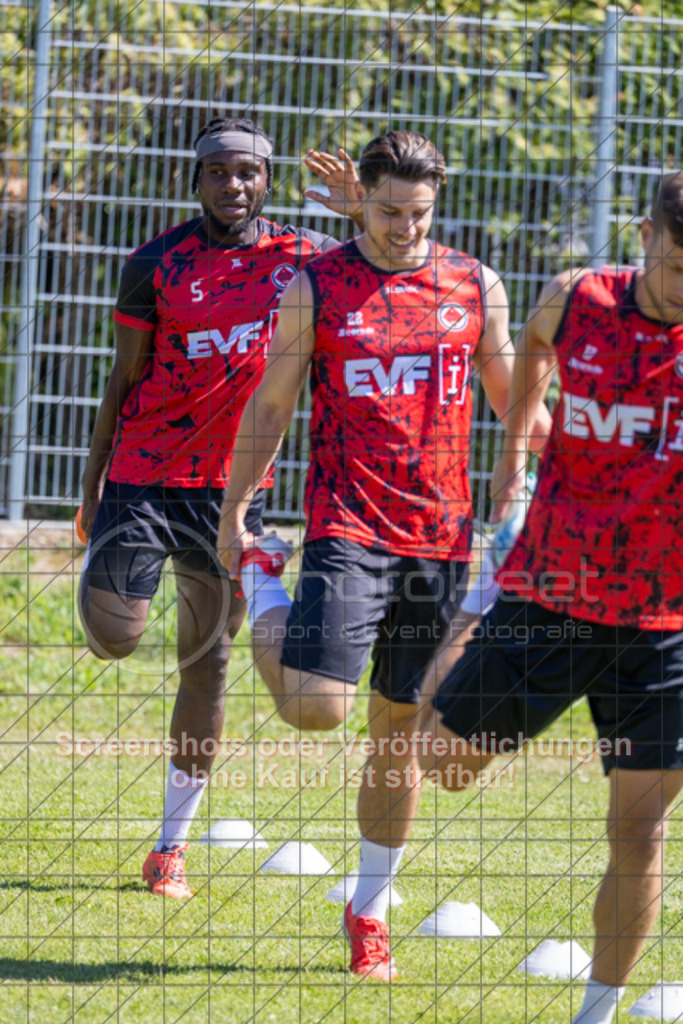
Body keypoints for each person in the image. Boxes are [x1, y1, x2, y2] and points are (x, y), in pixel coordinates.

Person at [218, 130, 550, 980]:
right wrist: (235, 512)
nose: (405, 227)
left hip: (440, 536)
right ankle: (262, 582)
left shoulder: (473, 283)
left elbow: (512, 397)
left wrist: (551, 462)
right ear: (360, 200)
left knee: (398, 735)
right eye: (390, 211)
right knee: (316, 709)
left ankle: (369, 912)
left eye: (420, 213)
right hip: (347, 526)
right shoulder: (317, 285)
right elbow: (271, 404)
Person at [420, 172, 683, 1023]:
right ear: (645, 237)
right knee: (441, 765)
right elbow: (532, 344)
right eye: (679, 264)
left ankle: (595, 1014)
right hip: (551, 592)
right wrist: (515, 449)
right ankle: (473, 607)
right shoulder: (578, 300)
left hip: (665, 624)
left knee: (638, 830)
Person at [78, 117, 362, 899]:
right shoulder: (155, 263)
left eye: (247, 172)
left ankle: (170, 849)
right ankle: (109, 574)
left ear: (266, 181)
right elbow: (121, 377)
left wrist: (361, 212)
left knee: (206, 662)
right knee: (113, 638)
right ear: (195, 179)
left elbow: (393, 264)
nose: (232, 185)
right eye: (218, 172)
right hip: (143, 477)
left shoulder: (307, 257)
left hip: (234, 492)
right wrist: (91, 481)